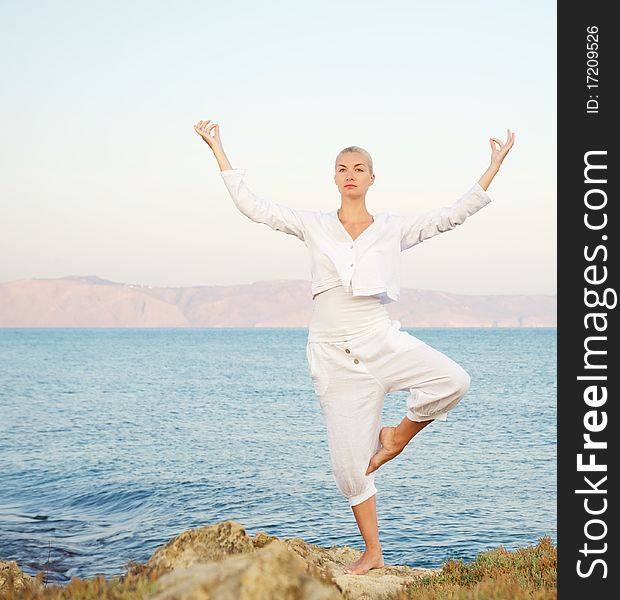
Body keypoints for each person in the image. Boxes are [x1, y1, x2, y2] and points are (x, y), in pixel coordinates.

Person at [194, 119, 515, 575]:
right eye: (343, 167)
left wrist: (493, 167)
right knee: (349, 469)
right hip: (332, 354)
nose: (350, 173)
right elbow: (255, 207)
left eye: (359, 167)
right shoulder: (314, 225)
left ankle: (397, 436)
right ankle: (373, 551)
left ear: (371, 178)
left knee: (453, 380)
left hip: (379, 339)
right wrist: (218, 149)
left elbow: (449, 215)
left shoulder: (391, 228)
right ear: (335, 177)